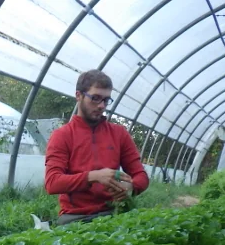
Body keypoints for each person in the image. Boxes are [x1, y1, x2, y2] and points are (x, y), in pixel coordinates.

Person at [44, 70, 150, 226]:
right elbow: (52, 183)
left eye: (106, 100)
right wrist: (93, 176)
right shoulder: (62, 135)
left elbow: (141, 175)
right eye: (95, 98)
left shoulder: (119, 134)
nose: (101, 106)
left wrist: (131, 187)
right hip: (75, 217)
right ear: (78, 95)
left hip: (114, 213)